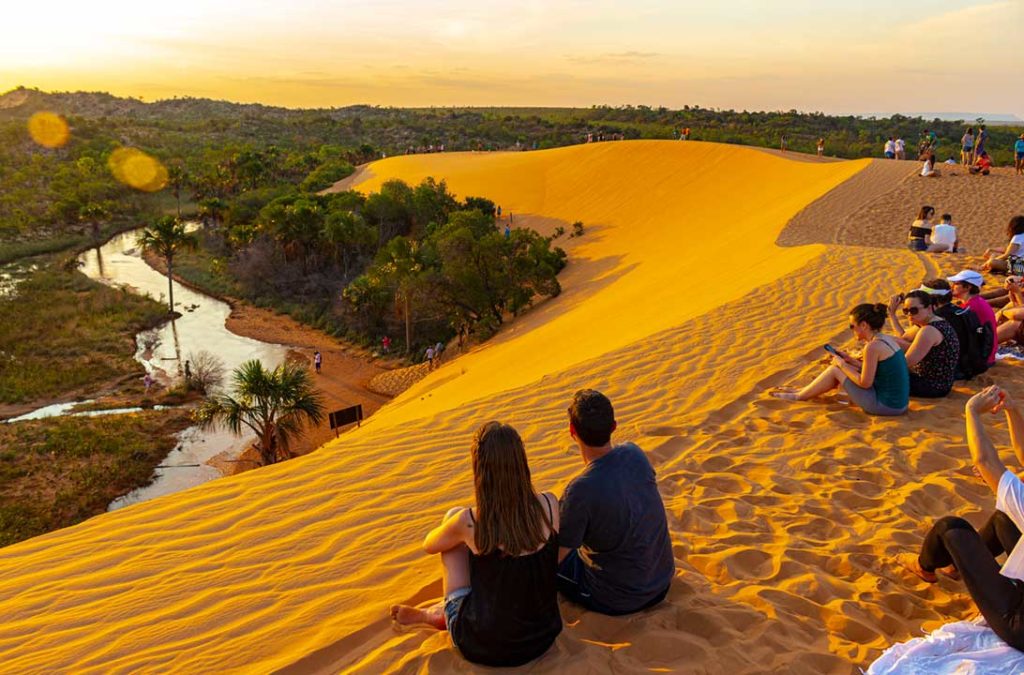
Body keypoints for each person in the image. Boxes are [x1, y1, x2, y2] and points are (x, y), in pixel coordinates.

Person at [390, 422, 561, 666]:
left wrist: (458, 529)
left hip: (483, 645)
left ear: (480, 469)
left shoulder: (469, 521)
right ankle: (445, 612)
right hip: (542, 638)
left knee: (453, 521)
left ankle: (438, 614)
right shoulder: (550, 505)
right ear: (521, 462)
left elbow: (430, 544)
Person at [897, 386, 1024, 652]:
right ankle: (956, 566)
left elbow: (984, 461)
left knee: (950, 527)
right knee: (1005, 519)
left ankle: (924, 567)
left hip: (1019, 622)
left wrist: (971, 412)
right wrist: (1011, 409)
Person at [557, 389, 675, 615]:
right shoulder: (635, 454)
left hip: (618, 599)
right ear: (614, 426)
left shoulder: (580, 490)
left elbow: (557, 556)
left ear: (572, 431)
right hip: (661, 582)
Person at [769, 303, 909, 415]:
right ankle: (803, 390)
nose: (851, 330)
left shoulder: (872, 347)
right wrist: (850, 360)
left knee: (835, 370)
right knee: (843, 367)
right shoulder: (886, 339)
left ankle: (799, 397)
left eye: (852, 326)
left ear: (864, 325)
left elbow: (865, 383)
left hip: (886, 406)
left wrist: (841, 364)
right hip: (898, 404)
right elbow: (878, 370)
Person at [887, 291, 959, 398]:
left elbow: (905, 363)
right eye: (906, 311)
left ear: (929, 308)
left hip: (932, 386)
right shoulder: (935, 321)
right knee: (888, 341)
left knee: (878, 375)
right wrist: (892, 315)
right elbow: (904, 337)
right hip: (941, 381)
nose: (909, 314)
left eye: (914, 310)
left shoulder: (928, 330)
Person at [950, 269, 998, 367]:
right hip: (987, 355)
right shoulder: (976, 302)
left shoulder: (971, 307)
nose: (952, 287)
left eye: (956, 283)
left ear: (967, 287)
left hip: (981, 358)